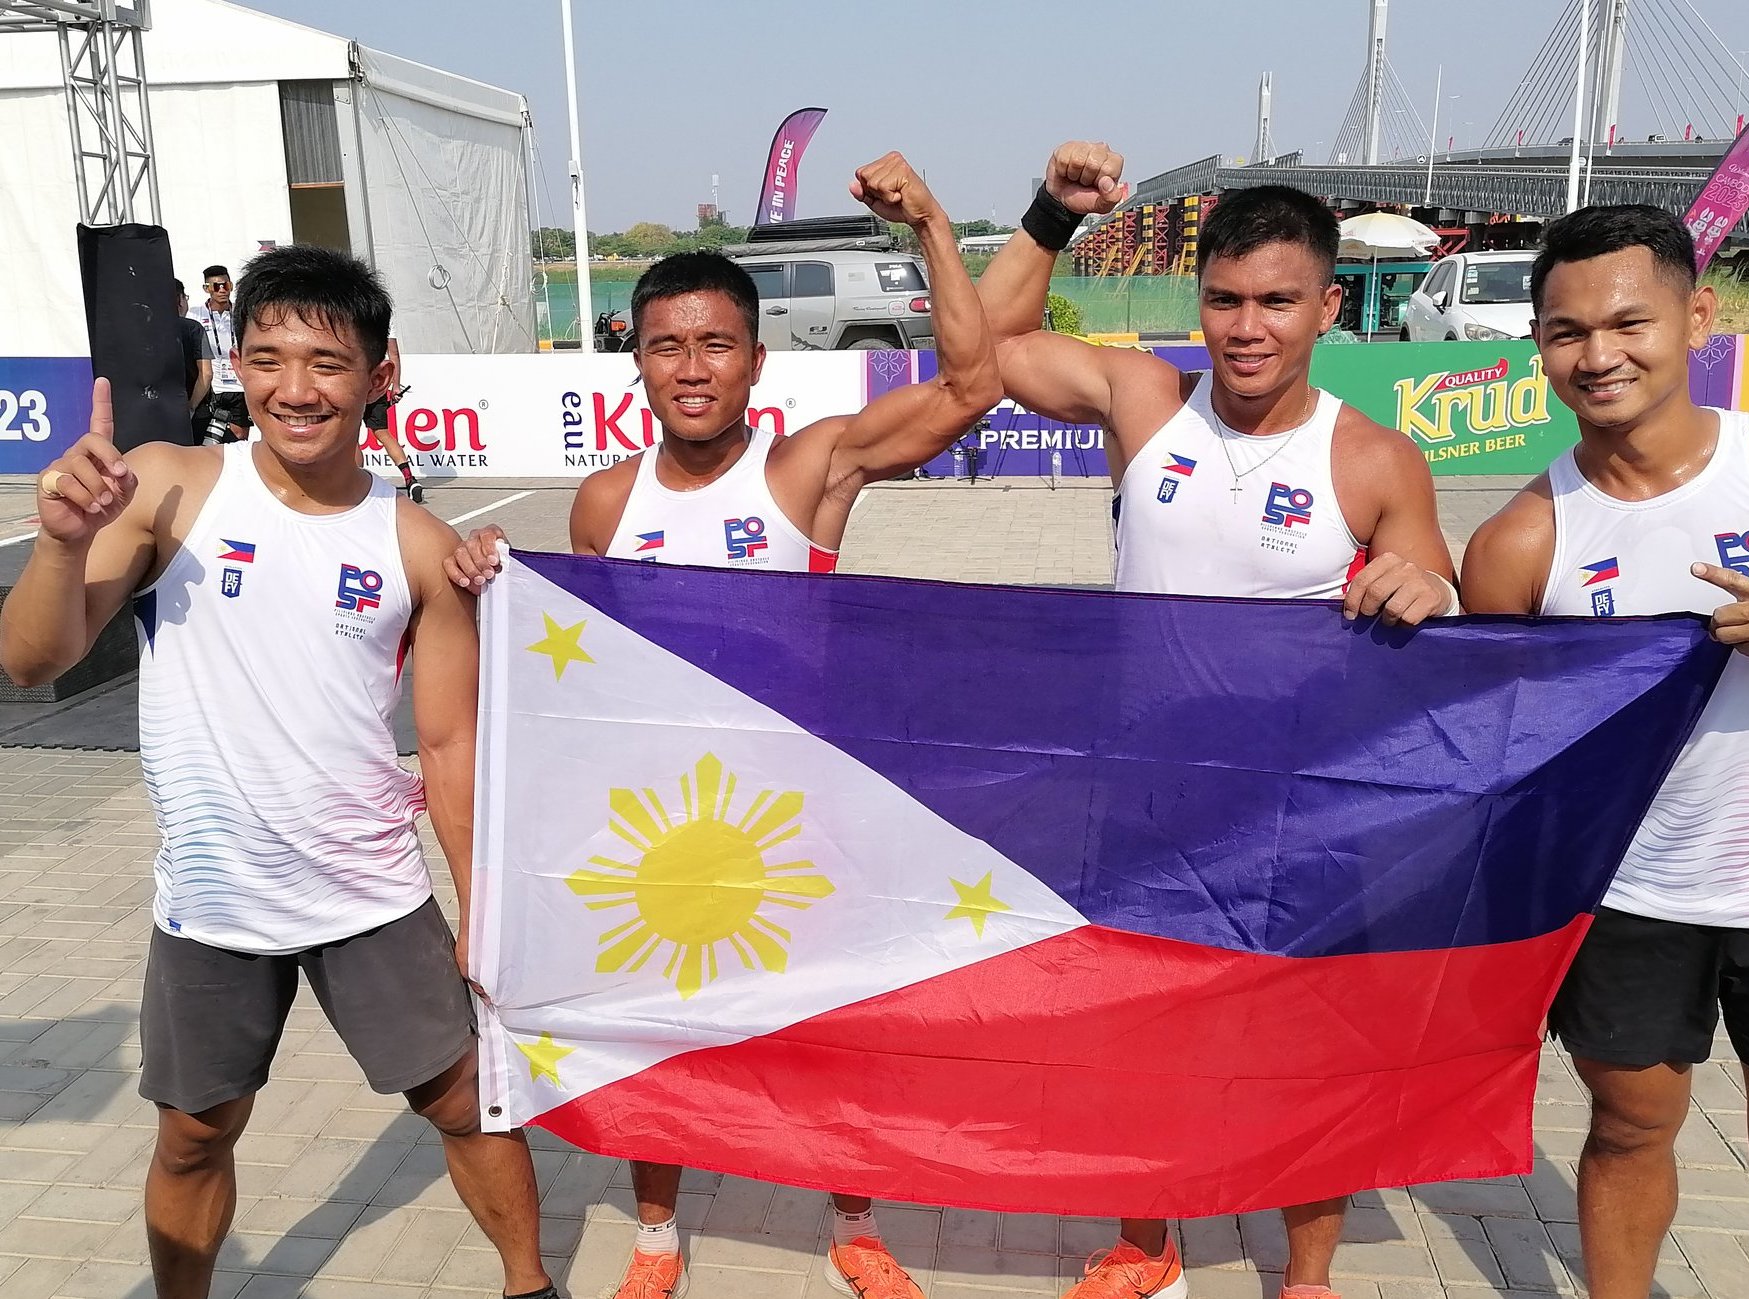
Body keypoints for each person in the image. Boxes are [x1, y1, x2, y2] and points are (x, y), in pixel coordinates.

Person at [446, 152, 999, 1299]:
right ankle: (657, 1231)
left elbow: (967, 388)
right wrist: (479, 578)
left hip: (805, 817)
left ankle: (851, 1217)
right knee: (655, 1023)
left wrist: (933, 225)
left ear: (754, 357)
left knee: (827, 1029)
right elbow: (570, 684)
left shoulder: (808, 470)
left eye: (713, 345)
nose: (689, 369)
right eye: (665, 345)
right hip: (662, 824)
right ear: (636, 359)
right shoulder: (606, 500)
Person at [0, 247, 560, 1299]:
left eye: (325, 362)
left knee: (464, 1101)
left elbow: (445, 749)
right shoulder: (169, 486)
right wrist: (61, 547)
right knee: (192, 1137)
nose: (294, 388)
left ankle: (530, 1284)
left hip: (371, 899)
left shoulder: (420, 545)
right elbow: (30, 659)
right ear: (239, 362)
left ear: (379, 373)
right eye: (267, 358)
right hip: (213, 903)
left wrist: (482, 914)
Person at [975, 142, 1459, 1299]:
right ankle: (1148, 1243)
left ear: (1327, 305)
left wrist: (1424, 591)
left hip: (1301, 812)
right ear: (1199, 301)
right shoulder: (1145, 401)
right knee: (1143, 1028)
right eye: (1225, 300)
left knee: (1299, 1046)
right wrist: (1047, 216)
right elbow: (983, 348)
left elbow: (1445, 601)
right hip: (1144, 792)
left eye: (1277, 302)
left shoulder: (1374, 458)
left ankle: (1305, 1274)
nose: (1247, 328)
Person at [1462, 204, 1749, 1299]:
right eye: (1563, 332)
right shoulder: (1516, 541)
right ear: (1537, 345)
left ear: (1696, 316)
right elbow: (1486, 749)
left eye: (1627, 322)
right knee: (1627, 1133)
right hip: (1629, 899)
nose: (1596, 355)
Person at [190, 264, 249, 443]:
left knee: (239, 437)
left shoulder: (242, 312)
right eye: (217, 286)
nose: (223, 290)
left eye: (227, 285)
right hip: (212, 386)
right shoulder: (195, 314)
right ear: (207, 289)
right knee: (210, 438)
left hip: (239, 385)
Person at [364, 325, 422, 500]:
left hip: (354, 384)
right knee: (384, 434)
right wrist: (395, 387)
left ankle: (350, 487)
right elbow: (394, 355)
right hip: (378, 386)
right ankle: (410, 479)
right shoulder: (387, 321)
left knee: (349, 437)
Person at [175, 279, 210, 416]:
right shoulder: (193, 328)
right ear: (179, 300)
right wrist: (191, 406)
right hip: (191, 406)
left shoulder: (144, 328)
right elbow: (206, 374)